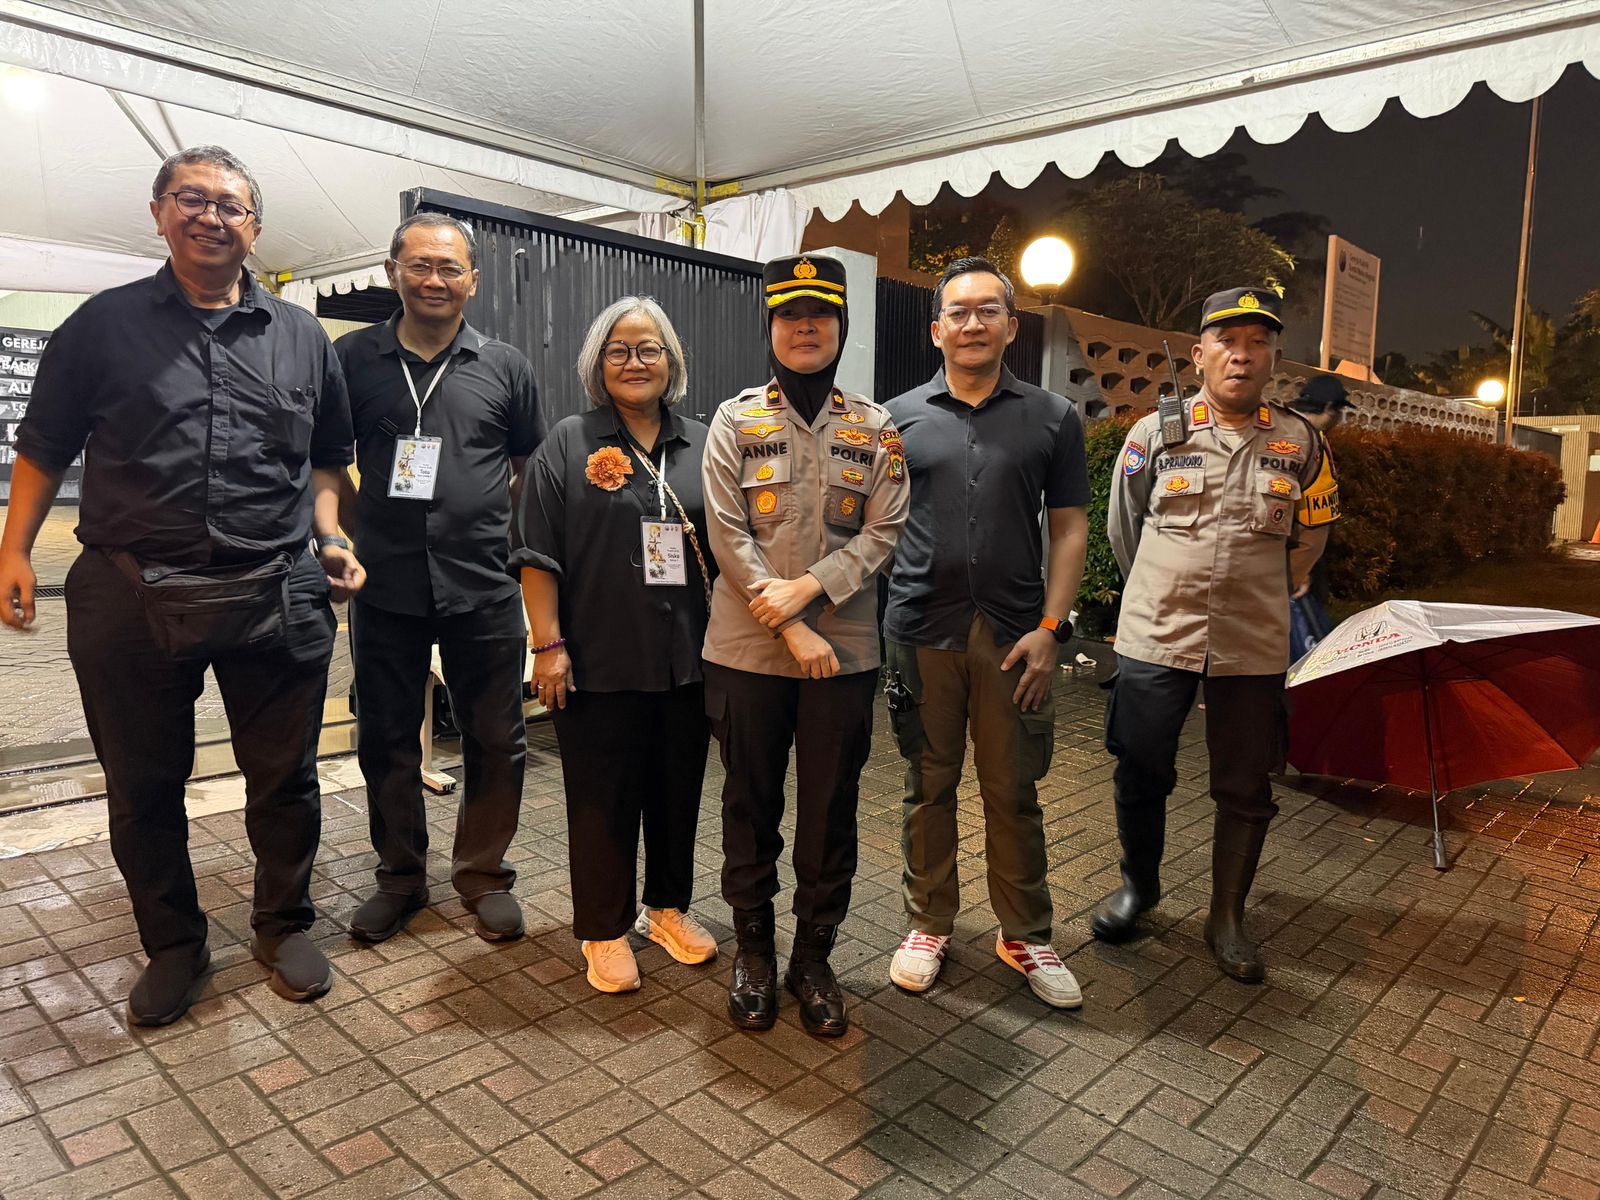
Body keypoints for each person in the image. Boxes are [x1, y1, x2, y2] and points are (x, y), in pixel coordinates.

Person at [0, 145, 362, 1024]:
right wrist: (14, 552)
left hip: (277, 586)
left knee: (285, 777)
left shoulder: (302, 336)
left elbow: (327, 459)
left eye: (230, 205)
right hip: (127, 592)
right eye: (191, 199)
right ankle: (174, 945)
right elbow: (43, 447)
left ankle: (282, 925)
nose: (210, 216)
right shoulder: (101, 326)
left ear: (255, 228)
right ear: (159, 212)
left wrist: (331, 534)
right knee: (143, 785)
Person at [1094, 287, 1334, 983]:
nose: (1242, 355)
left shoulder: (1302, 442)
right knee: (1141, 766)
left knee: (1246, 782)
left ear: (1274, 358)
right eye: (1227, 341)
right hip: (1156, 634)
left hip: (1252, 641)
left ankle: (1226, 917)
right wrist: (1161, 585)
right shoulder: (1154, 434)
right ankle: (1139, 888)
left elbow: (1311, 535)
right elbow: (1124, 526)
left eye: (1257, 342)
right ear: (1200, 354)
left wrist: (1265, 587)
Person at [702, 254, 909, 1037]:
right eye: (790, 314)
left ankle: (813, 959)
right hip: (749, 651)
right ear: (771, 327)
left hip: (842, 654)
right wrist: (788, 619)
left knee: (830, 810)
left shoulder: (876, 427)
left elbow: (886, 528)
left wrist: (813, 589)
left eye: (820, 313)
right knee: (748, 803)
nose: (805, 326)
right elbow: (726, 531)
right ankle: (754, 952)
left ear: (842, 326)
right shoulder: (734, 421)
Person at [882, 256, 1091, 1009]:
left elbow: (1069, 529)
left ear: (1011, 325)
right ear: (936, 330)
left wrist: (1052, 628)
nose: (972, 323)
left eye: (988, 310)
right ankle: (927, 923)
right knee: (927, 785)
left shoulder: (1052, 417)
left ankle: (1025, 932)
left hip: (1014, 636)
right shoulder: (893, 419)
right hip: (920, 629)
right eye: (958, 312)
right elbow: (872, 527)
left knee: (1013, 788)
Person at [334, 213, 545, 944]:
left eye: (450, 267)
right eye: (419, 265)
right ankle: (400, 878)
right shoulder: (352, 359)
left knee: (497, 736)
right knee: (386, 737)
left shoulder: (506, 366)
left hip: (484, 583)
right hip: (384, 585)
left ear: (472, 281)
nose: (434, 279)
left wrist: (496, 534)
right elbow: (327, 460)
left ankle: (483, 875)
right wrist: (360, 530)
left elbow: (527, 469)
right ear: (392, 271)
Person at [515, 296, 717, 993]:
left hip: (687, 658)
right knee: (601, 798)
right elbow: (536, 553)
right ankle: (603, 928)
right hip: (597, 658)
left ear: (671, 362)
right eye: (619, 350)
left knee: (677, 791)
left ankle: (666, 908)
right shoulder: (568, 443)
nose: (635, 362)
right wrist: (548, 645)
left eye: (649, 349)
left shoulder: (703, 443)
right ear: (597, 363)